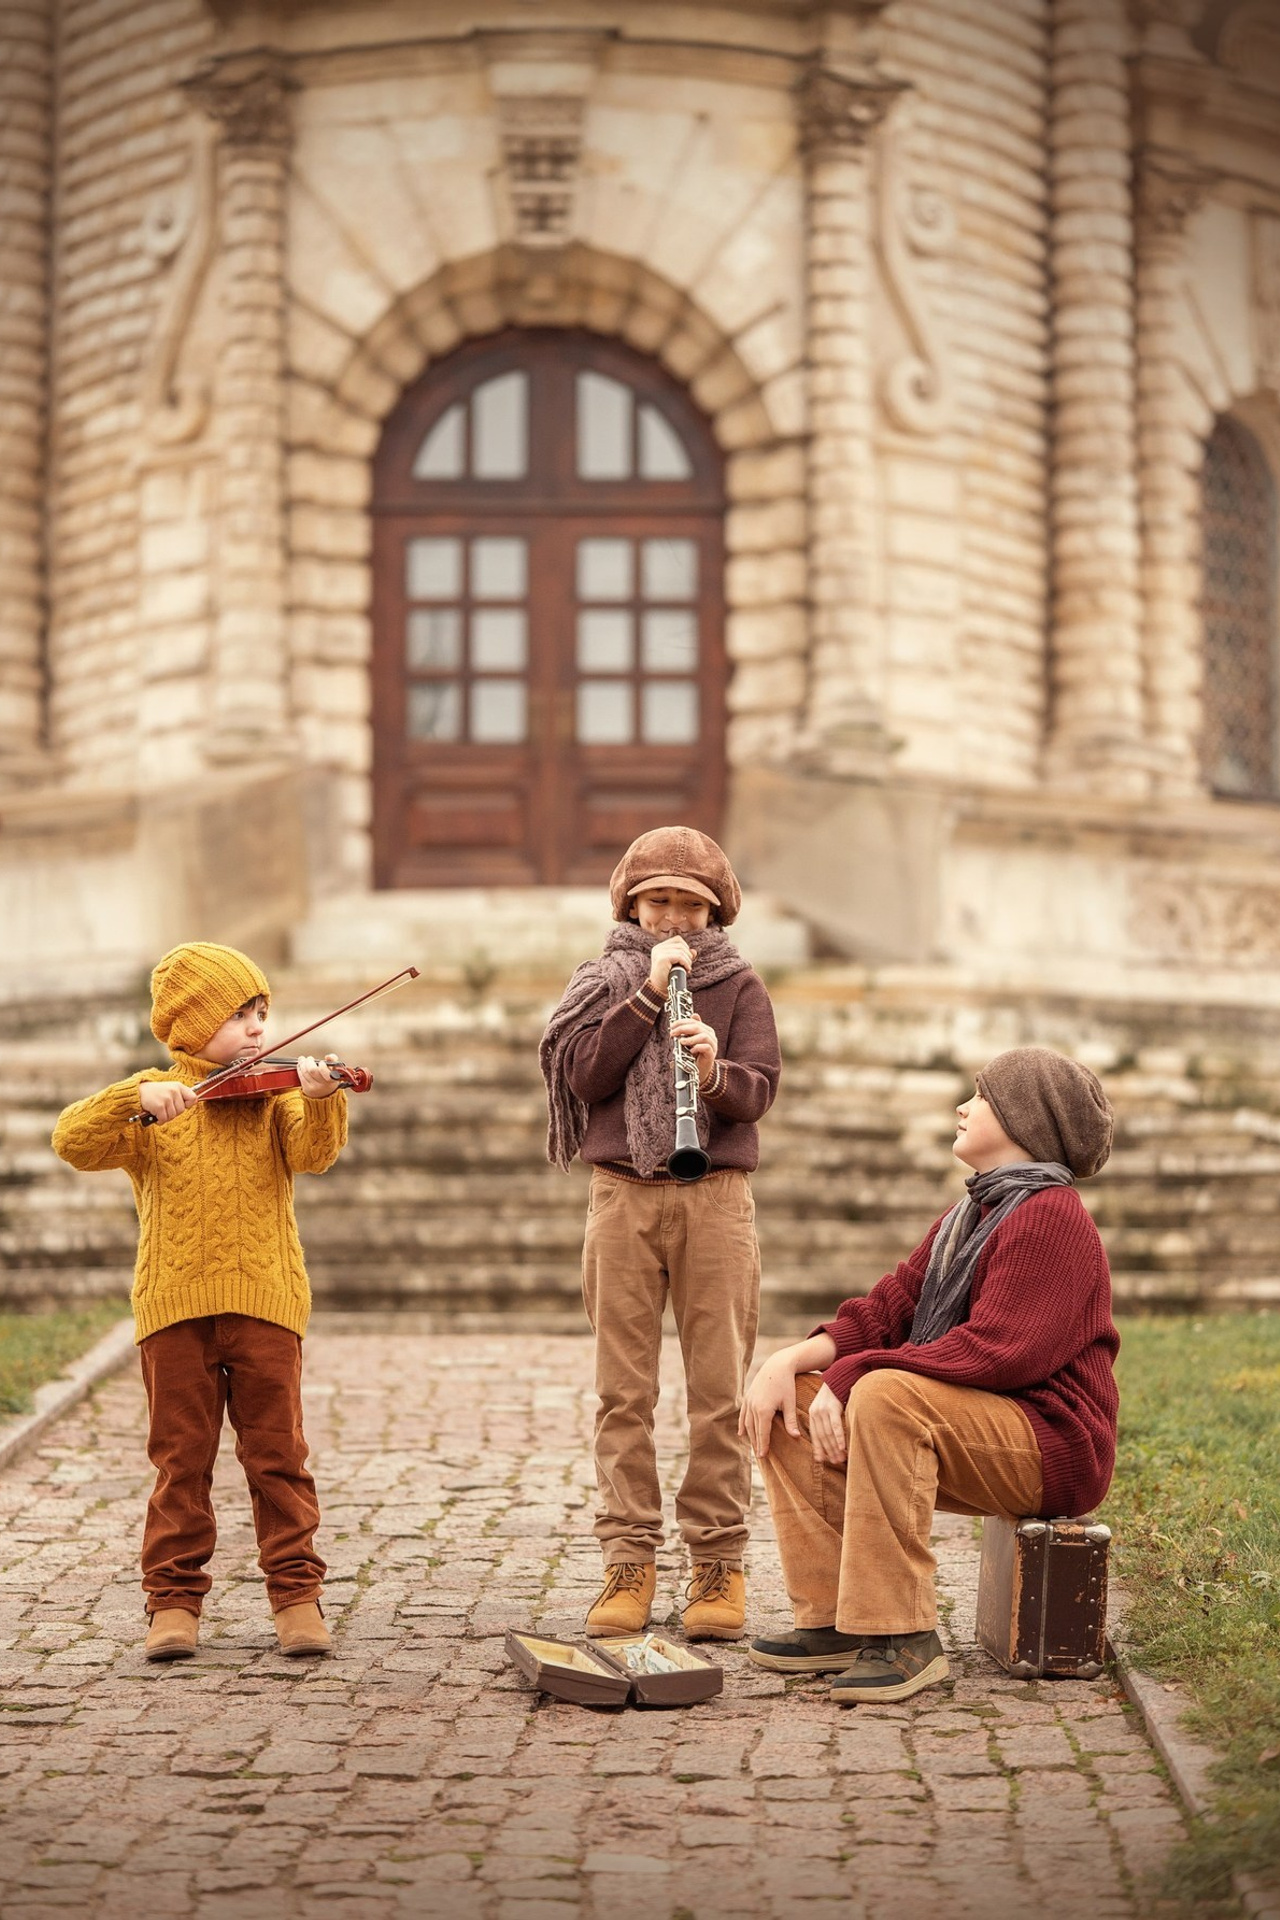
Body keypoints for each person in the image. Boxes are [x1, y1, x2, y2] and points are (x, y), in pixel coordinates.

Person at [741, 1046, 1118, 1704]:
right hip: (985, 1426)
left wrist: (855, 1375)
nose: (963, 1106)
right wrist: (790, 1362)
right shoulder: (968, 1216)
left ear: (1026, 1119)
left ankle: (904, 1637)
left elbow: (1000, 1351)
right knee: (796, 1401)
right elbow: (887, 1310)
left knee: (885, 1396)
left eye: (982, 1095)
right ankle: (835, 1622)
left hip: (1053, 1445)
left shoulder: (1052, 1218)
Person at [51, 942, 348, 1662]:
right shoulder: (154, 1104)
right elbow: (71, 1141)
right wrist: (131, 1095)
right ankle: (174, 1603)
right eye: (238, 1015)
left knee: (278, 1455)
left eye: (262, 1013)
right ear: (188, 1023)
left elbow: (313, 1154)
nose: (256, 1029)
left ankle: (296, 1595)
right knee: (180, 1462)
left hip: (267, 1303)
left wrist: (322, 1097)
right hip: (172, 1308)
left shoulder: (273, 1095)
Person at [541, 826, 781, 1641]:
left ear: (715, 913)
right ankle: (628, 1562)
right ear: (631, 904)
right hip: (621, 1198)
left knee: (718, 1394)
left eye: (690, 904)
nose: (673, 917)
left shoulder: (740, 987)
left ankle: (718, 1565)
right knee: (624, 1394)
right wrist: (644, 996)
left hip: (715, 1199)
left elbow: (757, 1093)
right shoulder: (601, 980)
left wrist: (712, 1069)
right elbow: (585, 1077)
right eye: (659, 901)